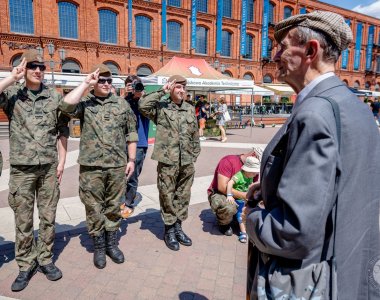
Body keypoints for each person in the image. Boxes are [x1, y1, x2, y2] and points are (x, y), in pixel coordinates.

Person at [245, 11, 380, 299]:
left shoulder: (315, 112)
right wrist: (271, 185)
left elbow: (294, 231)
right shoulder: (355, 106)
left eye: (282, 46)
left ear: (310, 51)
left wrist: (252, 218)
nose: (275, 54)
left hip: (309, 279)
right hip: (346, 268)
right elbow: (340, 182)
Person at [0, 49, 69, 291]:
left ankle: (45, 259)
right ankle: (25, 264)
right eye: (33, 66)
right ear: (24, 68)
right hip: (22, 169)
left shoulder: (53, 97)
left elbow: (62, 130)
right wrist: (12, 77)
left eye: (41, 67)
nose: (38, 70)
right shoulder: (13, 94)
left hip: (49, 168)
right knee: (23, 220)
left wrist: (61, 161)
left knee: (48, 217)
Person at [61, 64, 138, 269]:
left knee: (114, 206)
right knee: (93, 207)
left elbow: (131, 134)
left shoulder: (122, 105)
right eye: (101, 80)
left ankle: (111, 244)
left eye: (108, 81)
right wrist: (86, 83)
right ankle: (98, 246)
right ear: (95, 81)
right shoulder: (85, 103)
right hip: (91, 166)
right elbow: (65, 106)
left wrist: (131, 160)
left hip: (116, 165)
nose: (105, 84)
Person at [139, 75, 201, 251]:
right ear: (171, 88)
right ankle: (169, 230)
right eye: (178, 88)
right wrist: (161, 91)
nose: (182, 91)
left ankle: (178, 228)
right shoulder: (161, 108)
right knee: (167, 195)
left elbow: (195, 134)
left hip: (187, 161)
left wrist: (195, 153)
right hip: (168, 161)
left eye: (183, 88)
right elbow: (143, 106)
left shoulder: (189, 109)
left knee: (183, 195)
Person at [207, 148, 261, 236]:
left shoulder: (253, 171)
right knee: (229, 207)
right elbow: (222, 187)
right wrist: (244, 196)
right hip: (221, 193)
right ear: (254, 156)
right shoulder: (228, 161)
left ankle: (237, 218)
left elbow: (252, 186)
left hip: (241, 196)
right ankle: (223, 223)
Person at [120, 75, 149, 219]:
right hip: (122, 143)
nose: (132, 87)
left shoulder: (144, 101)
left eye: (135, 84)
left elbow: (146, 109)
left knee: (132, 175)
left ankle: (129, 203)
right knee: (120, 174)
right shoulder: (123, 102)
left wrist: (140, 95)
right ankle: (122, 198)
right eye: (129, 84)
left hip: (139, 143)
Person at [226, 156, 260, 243]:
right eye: (254, 173)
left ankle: (251, 228)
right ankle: (243, 232)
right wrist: (229, 195)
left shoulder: (250, 176)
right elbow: (230, 183)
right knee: (241, 215)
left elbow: (250, 184)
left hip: (246, 199)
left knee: (254, 210)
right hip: (239, 200)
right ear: (247, 170)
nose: (255, 174)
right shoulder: (239, 175)